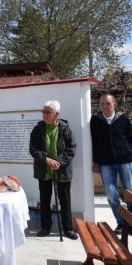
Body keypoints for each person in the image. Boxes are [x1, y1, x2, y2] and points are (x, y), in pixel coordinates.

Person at [90, 93, 132, 237]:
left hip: (126, 160)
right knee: (111, 193)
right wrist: (96, 161)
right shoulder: (96, 120)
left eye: (108, 103)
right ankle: (121, 222)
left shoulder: (123, 118)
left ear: (114, 104)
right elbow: (94, 142)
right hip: (106, 163)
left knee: (130, 193)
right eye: (102, 104)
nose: (105, 106)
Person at [29, 100, 78, 240]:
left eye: (48, 112)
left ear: (57, 114)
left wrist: (58, 161)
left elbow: (71, 149)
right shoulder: (38, 129)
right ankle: (45, 227)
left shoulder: (65, 128)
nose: (44, 114)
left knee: (65, 200)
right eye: (43, 112)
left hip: (62, 171)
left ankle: (68, 228)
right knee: (45, 199)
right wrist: (47, 160)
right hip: (44, 170)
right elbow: (33, 150)